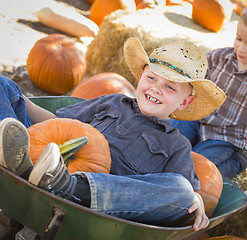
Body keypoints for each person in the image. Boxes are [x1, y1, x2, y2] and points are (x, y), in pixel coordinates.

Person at [0, 37, 226, 231]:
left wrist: (195, 197)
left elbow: (179, 195)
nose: (156, 88)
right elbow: (59, 125)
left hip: (92, 206)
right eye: (152, 78)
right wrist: (18, 99)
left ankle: (68, 186)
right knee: (4, 84)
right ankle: (11, 154)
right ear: (140, 76)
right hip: (46, 160)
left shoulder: (177, 145)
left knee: (182, 190)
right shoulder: (112, 102)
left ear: (185, 101)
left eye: (170, 87)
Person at [170, 0, 247, 200]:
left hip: (225, 136)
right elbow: (192, 81)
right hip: (196, 119)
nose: (241, 49)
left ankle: (240, 159)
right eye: (238, 38)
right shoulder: (218, 57)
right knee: (168, 144)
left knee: (197, 170)